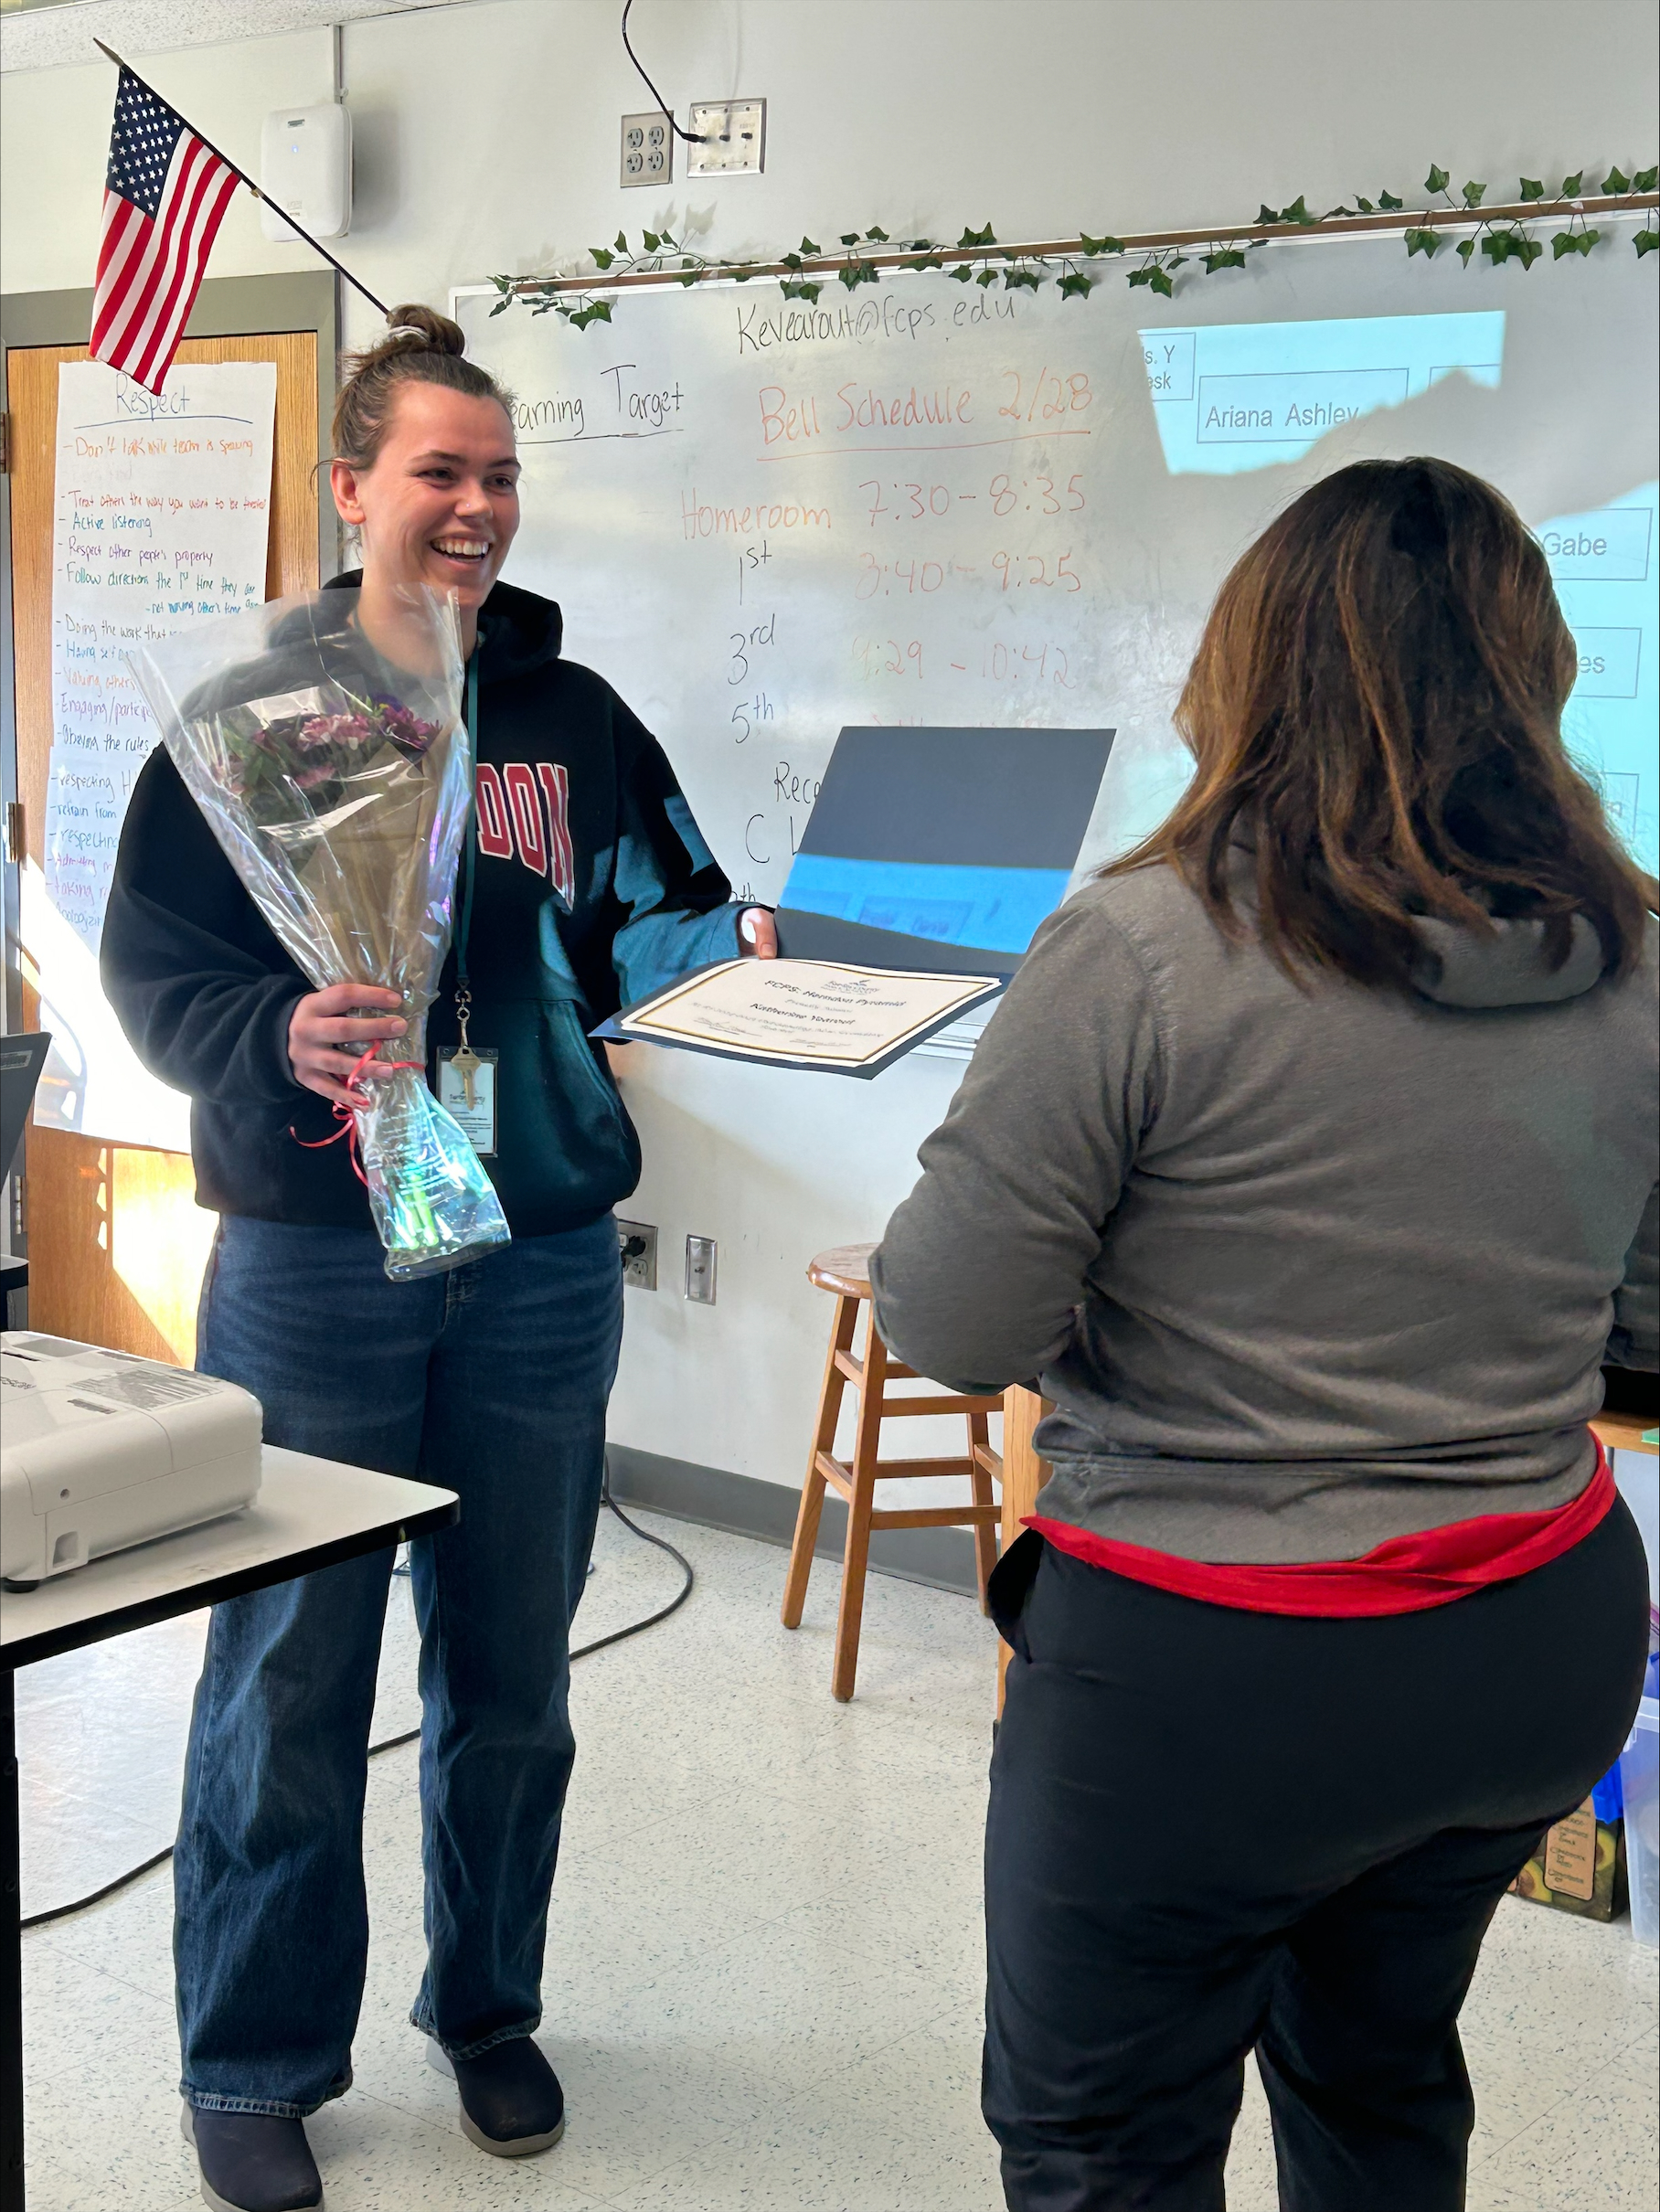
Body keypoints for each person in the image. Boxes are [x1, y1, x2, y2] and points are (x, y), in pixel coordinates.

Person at [870, 457, 1656, 2212]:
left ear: (1251, 662)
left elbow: (949, 1320)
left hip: (1204, 1676)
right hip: (1528, 1639)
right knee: (1380, 2087)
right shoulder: (1634, 957)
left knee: (1108, 2146)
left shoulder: (1145, 950)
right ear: (1533, 681)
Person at [101, 304, 776, 2212]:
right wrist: (272, 1039)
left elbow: (659, 929)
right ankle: (252, 2053)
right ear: (354, 488)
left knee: (511, 1676)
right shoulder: (252, 707)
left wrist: (746, 944)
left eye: (497, 475)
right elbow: (157, 970)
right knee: (287, 1673)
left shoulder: (570, 715)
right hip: (319, 1254)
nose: (474, 505)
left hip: (538, 1251)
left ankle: (486, 2003)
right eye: (437, 472)